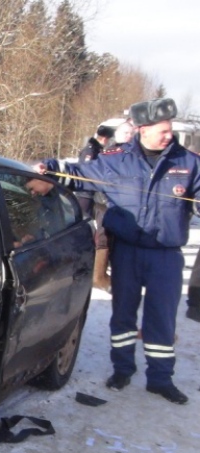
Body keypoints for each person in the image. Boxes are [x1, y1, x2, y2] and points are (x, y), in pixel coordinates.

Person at [35, 97, 200, 405]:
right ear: (143, 130)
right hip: (126, 251)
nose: (169, 136)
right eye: (162, 131)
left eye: (170, 130)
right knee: (123, 314)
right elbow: (79, 174)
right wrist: (49, 169)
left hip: (166, 255)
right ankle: (122, 370)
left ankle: (161, 379)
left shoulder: (188, 162)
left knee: (162, 318)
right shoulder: (116, 160)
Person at [92, 120, 138, 292]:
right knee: (104, 237)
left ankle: (122, 277)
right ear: (118, 135)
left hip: (128, 206)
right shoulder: (108, 154)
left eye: (131, 133)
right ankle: (98, 276)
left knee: (123, 240)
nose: (129, 136)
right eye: (126, 133)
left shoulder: (137, 155)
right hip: (105, 203)